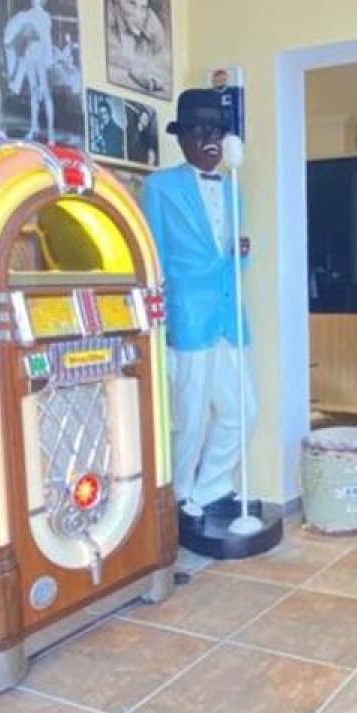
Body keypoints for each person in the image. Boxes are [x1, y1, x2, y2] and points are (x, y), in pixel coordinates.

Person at [139, 90, 254, 521]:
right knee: (189, 416)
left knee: (243, 410)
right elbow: (152, 259)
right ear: (183, 137)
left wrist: (241, 253)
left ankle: (211, 487)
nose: (210, 141)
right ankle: (180, 494)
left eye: (217, 133)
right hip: (187, 317)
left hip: (228, 317)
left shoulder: (233, 189)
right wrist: (163, 320)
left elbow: (232, 262)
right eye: (200, 131)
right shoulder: (159, 187)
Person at [105, 0, 169, 97]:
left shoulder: (152, 24)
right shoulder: (104, 20)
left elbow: (163, 63)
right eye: (131, 3)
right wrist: (133, 66)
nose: (138, 14)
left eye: (143, 6)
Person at [1, 0, 56, 142]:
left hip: (40, 53)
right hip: (30, 53)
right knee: (33, 90)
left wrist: (49, 58)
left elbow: (47, 39)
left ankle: (51, 132)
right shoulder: (27, 15)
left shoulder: (45, 16)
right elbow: (18, 35)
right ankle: (34, 127)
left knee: (45, 91)